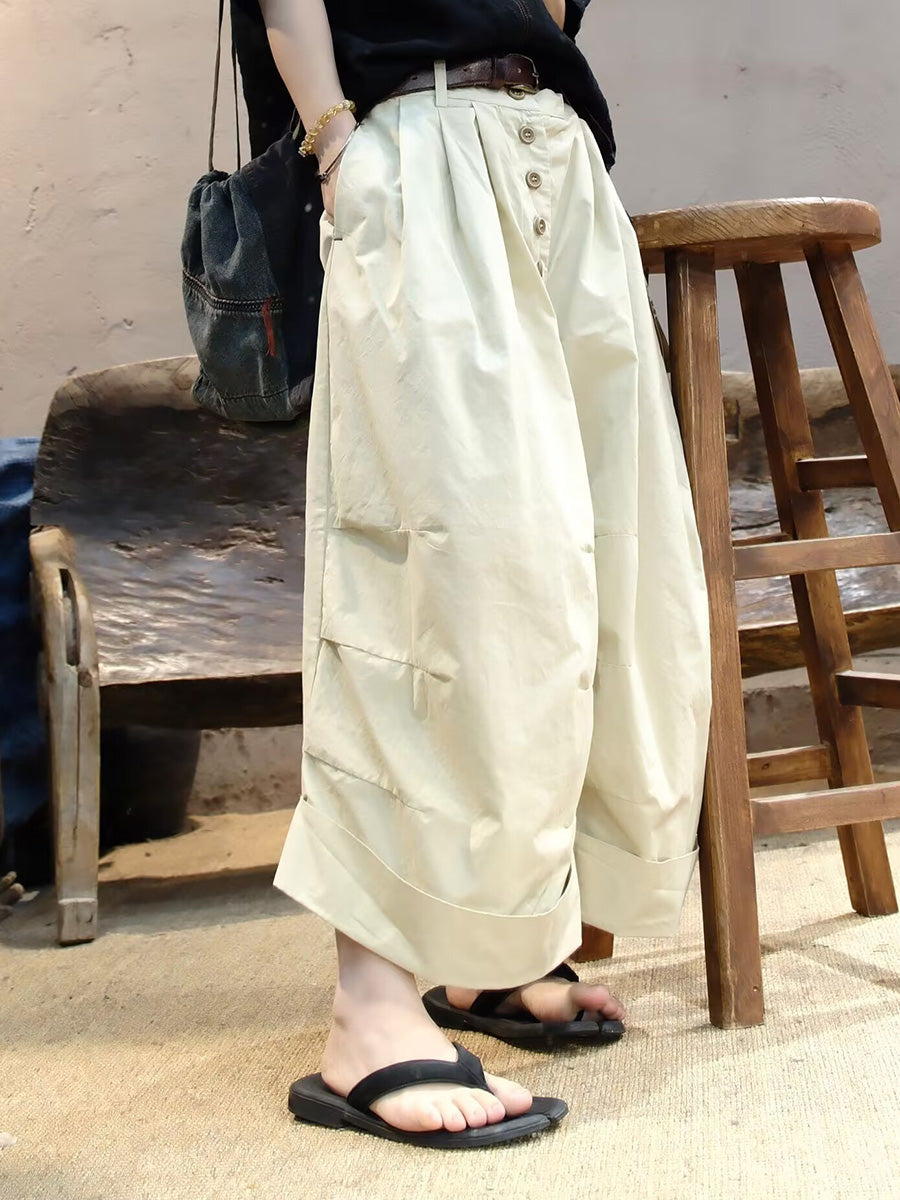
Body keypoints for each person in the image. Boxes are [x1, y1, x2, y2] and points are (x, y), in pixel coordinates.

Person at [258, 0, 713, 1148]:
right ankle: (369, 1007)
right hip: (415, 140)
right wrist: (334, 140)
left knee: (604, 570)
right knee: (443, 581)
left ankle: (496, 945)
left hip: (554, 144)